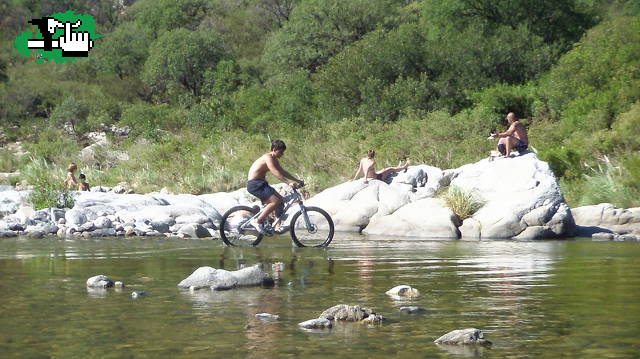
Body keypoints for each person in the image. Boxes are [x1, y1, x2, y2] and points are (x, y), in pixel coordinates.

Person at [246, 140, 304, 234]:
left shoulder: (274, 159)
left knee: (280, 201)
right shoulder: (268, 158)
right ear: (274, 149)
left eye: (283, 152)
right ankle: (257, 221)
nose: (282, 154)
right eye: (280, 152)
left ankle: (277, 227)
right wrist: (288, 183)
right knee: (276, 201)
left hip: (261, 183)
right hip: (255, 184)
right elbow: (276, 173)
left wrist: (297, 180)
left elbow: (282, 171)